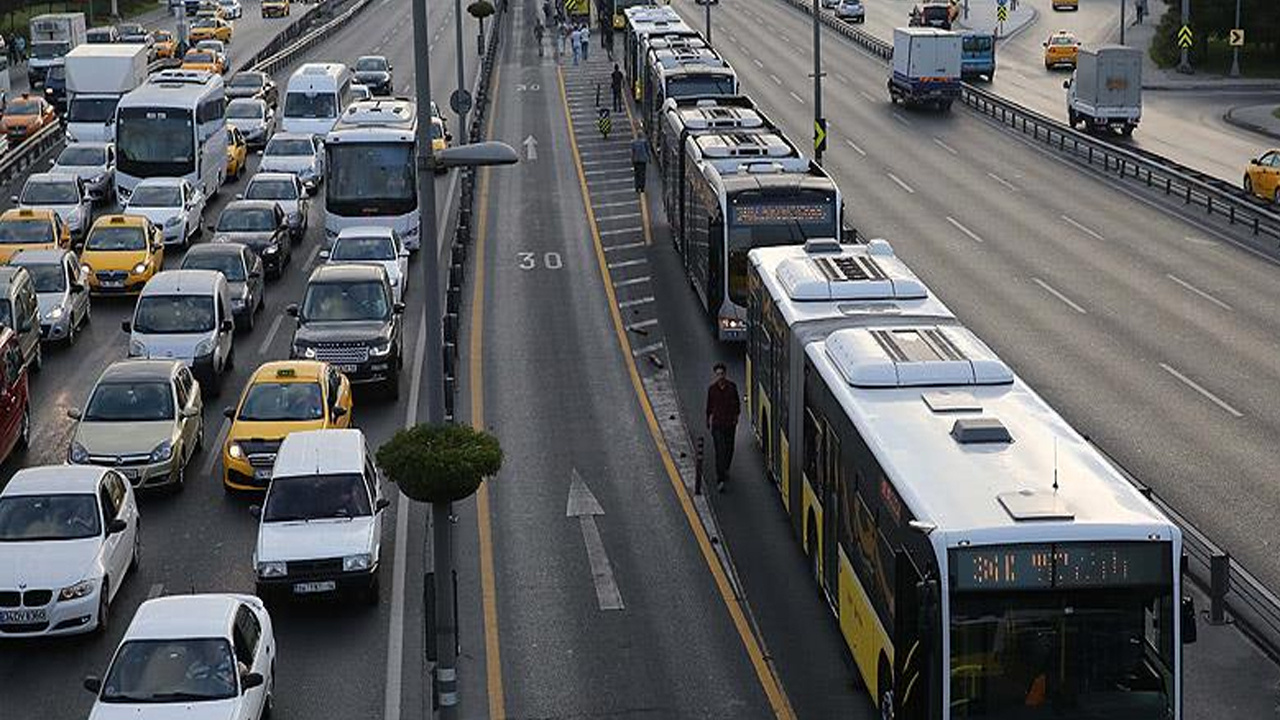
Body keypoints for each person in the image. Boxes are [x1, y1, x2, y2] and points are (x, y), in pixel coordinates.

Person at [705, 363, 740, 493]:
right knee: (720, 450)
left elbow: (737, 404)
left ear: (725, 374)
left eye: (722, 374)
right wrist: (708, 420)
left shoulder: (732, 387)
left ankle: (725, 468)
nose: (720, 376)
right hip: (717, 425)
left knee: (729, 448)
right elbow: (709, 406)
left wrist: (736, 417)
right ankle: (720, 479)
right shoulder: (712, 389)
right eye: (718, 374)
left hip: (729, 424)